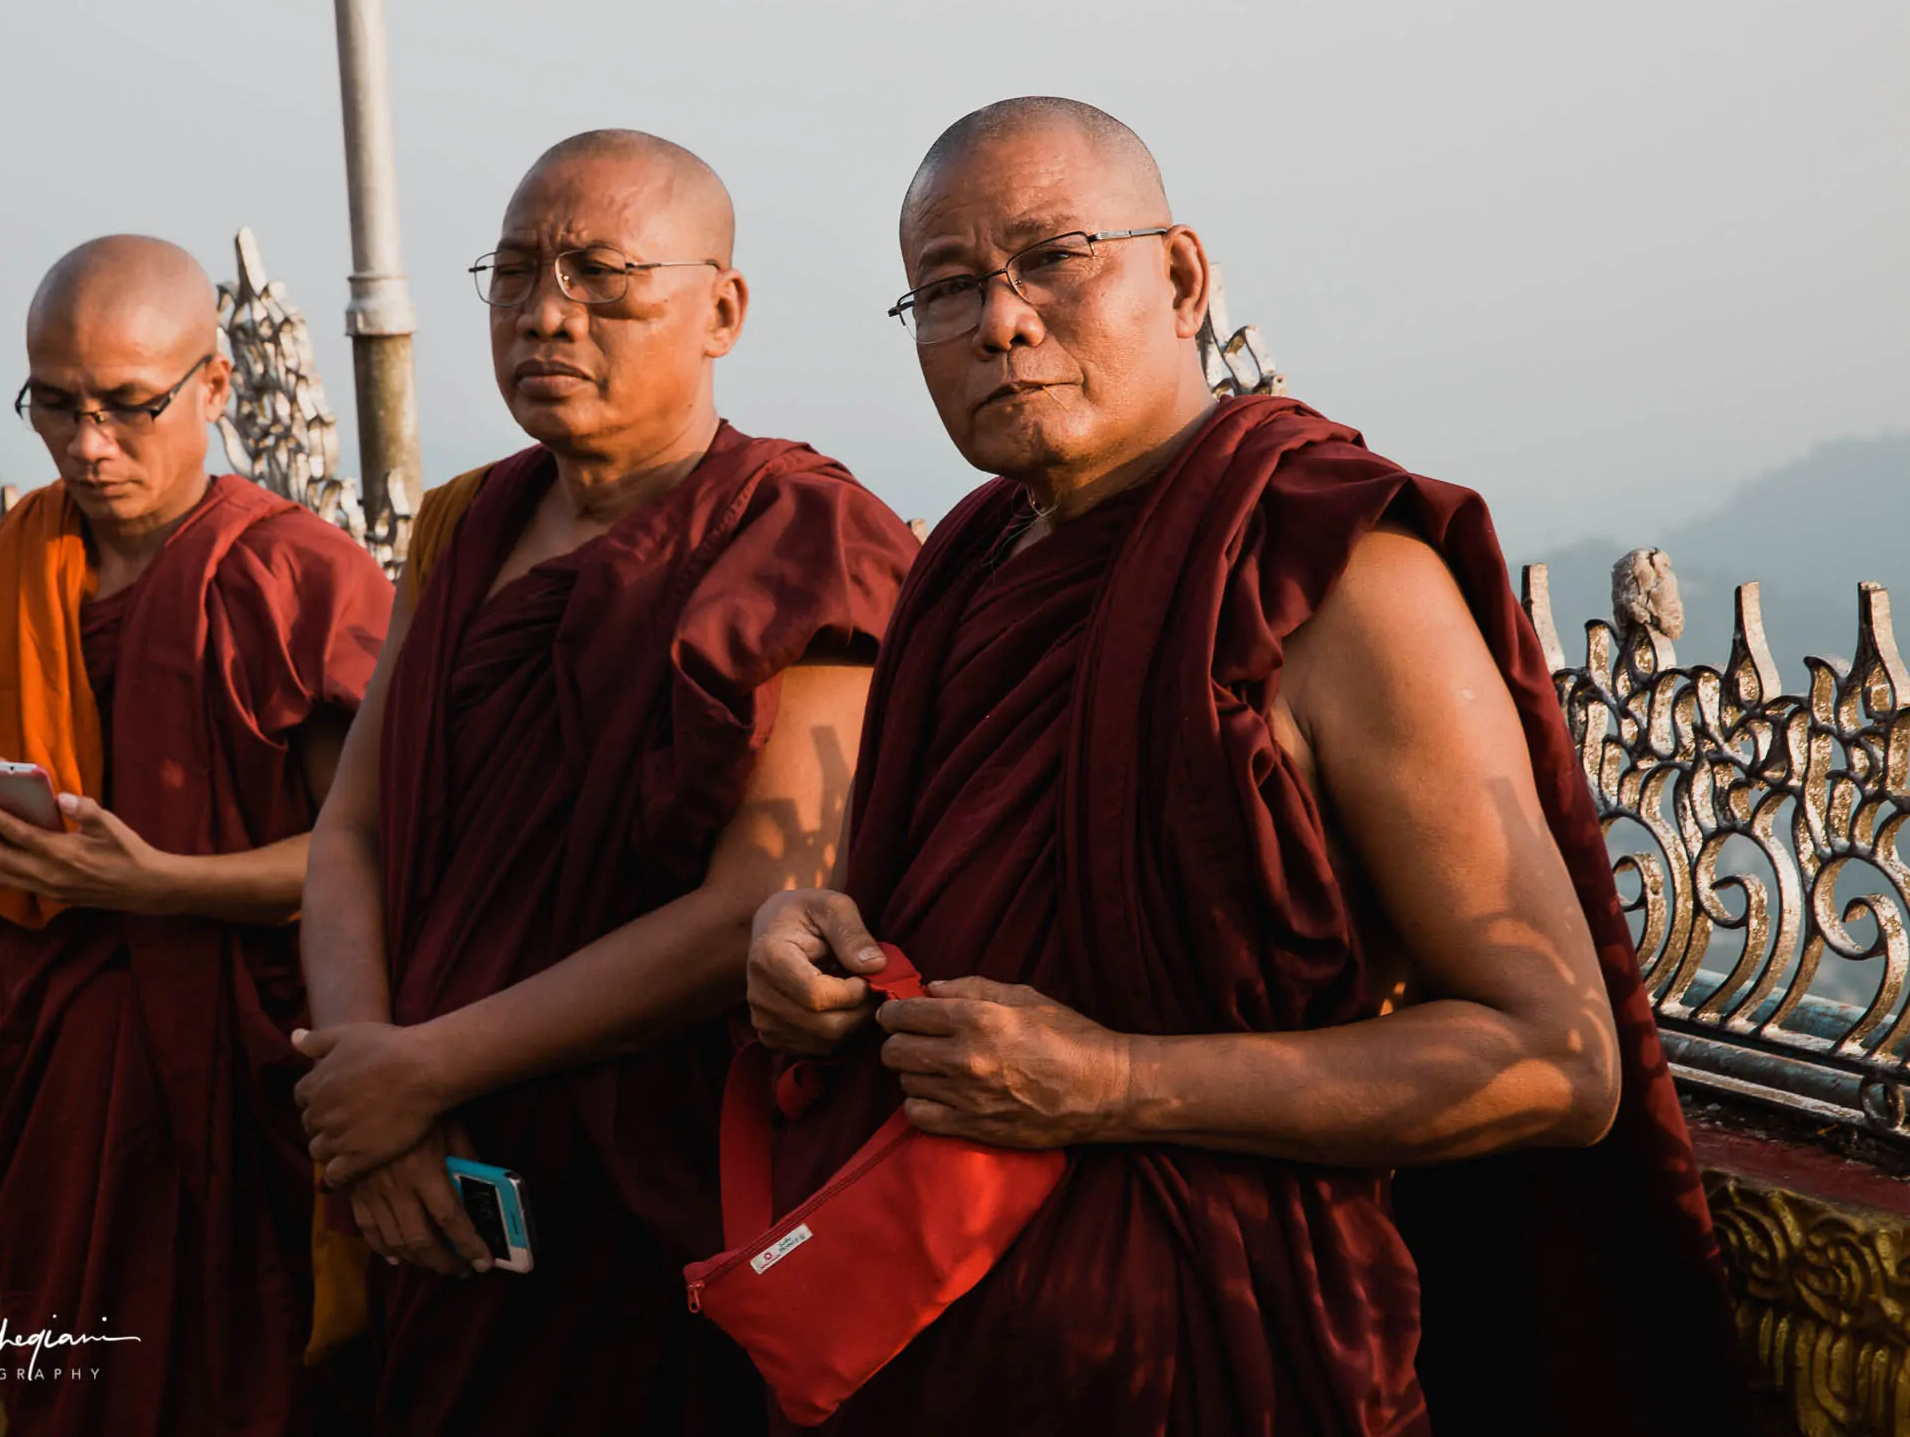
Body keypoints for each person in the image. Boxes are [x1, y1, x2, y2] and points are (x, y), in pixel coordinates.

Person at [746, 99, 1746, 1436]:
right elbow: (943, 915)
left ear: (1182, 276)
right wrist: (810, 938)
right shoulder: (964, 570)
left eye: (1054, 258)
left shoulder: (1324, 573)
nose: (1000, 320)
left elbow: (1557, 1061)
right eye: (945, 287)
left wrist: (1110, 1086)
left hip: (1229, 1351)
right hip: (936, 1335)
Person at [292, 130, 918, 1435]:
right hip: (437, 1170)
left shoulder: (803, 537)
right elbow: (347, 831)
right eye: (514, 275)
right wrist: (369, 1089)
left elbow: (761, 896)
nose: (545, 315)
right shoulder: (466, 521)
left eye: (601, 274)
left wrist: (421, 1071)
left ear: (721, 310)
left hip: (656, 1185)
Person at [0, 235, 392, 1436]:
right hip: (63, 1066)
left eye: (128, 407)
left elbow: (370, 853)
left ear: (214, 388)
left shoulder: (295, 580)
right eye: (54, 407)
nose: (88, 445)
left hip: (246, 1070)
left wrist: (157, 883)